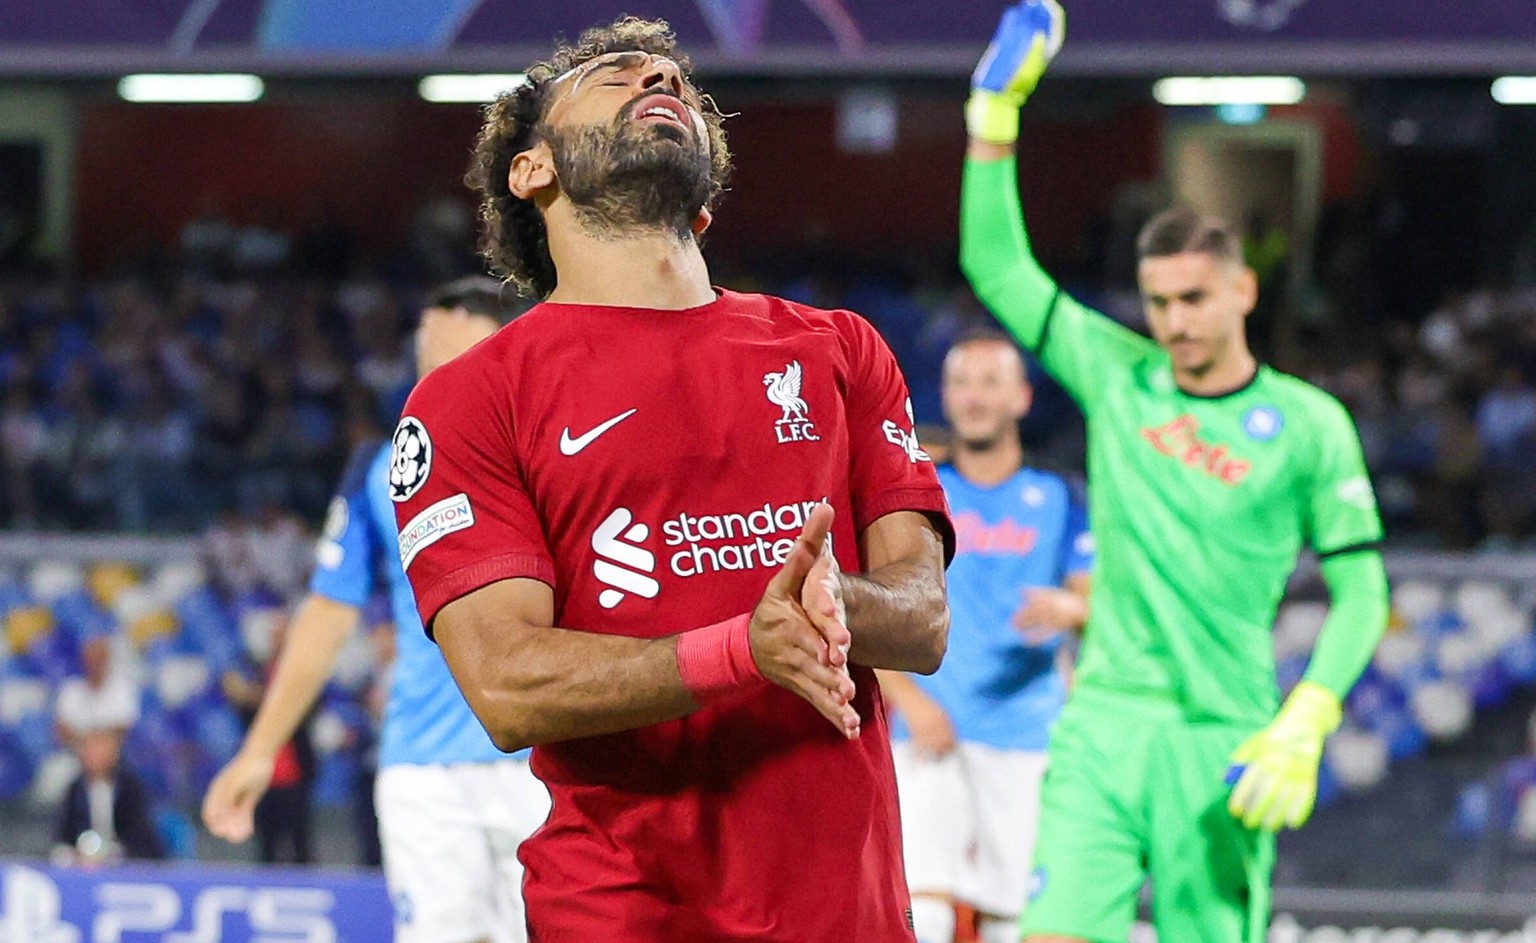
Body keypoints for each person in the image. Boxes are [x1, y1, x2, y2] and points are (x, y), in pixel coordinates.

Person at [392, 16, 953, 942]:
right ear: (534, 169)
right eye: (615, 75)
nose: (660, 72)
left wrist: (832, 599)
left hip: (845, 910)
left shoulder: (840, 348)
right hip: (622, 907)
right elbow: (504, 683)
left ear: (703, 204)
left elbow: (924, 619)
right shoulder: (469, 399)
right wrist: (745, 646)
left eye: (676, 80)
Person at [958, 4, 1391, 942]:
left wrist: (1307, 716)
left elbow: (1363, 592)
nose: (1175, 321)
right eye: (1158, 301)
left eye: (1194, 298)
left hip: (1224, 733)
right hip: (1102, 726)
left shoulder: (1313, 427)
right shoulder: (1120, 374)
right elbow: (996, 265)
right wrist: (994, 117)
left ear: (1242, 288)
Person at [203, 278, 548, 943]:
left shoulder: (552, 452)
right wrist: (258, 750)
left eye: (456, 344)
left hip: (541, 760)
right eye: (426, 345)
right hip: (422, 768)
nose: (436, 360)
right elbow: (328, 614)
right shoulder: (383, 469)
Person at [878, 330, 1091, 943]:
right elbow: (876, 607)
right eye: (962, 382)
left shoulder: (1060, 496)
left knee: (1014, 915)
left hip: (1025, 729)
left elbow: (1096, 600)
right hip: (926, 726)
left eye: (990, 382)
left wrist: (1072, 607)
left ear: (1021, 398)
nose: (974, 397)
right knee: (924, 904)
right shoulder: (915, 493)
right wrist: (912, 704)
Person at [56, 729, 165, 864]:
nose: (94, 755)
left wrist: (113, 853)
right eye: (89, 748)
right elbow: (64, 835)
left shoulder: (130, 788)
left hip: (125, 865)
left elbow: (141, 837)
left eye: (100, 748)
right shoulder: (75, 789)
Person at [54, 634, 140, 750]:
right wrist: (87, 743)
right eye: (90, 659)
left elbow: (123, 728)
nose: (94, 664)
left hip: (114, 753)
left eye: (99, 659)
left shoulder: (123, 688)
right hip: (76, 751)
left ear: (107, 660)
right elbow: (61, 730)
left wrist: (92, 741)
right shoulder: (70, 690)